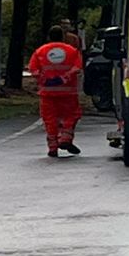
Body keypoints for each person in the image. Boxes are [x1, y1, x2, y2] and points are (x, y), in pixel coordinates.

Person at [28, 23, 85, 159]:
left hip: (47, 93)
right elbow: (77, 68)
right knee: (71, 115)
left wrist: (45, 79)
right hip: (68, 93)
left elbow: (33, 70)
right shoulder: (72, 51)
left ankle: (53, 147)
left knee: (50, 119)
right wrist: (64, 78)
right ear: (63, 37)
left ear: (49, 37)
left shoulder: (40, 51)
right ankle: (65, 138)